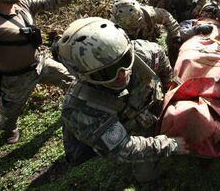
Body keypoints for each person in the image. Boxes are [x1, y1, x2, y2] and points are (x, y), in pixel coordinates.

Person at [55, 17, 189, 184]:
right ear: (82, 75)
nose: (122, 74)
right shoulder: (82, 108)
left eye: (125, 61)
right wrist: (170, 145)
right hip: (122, 126)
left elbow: (161, 62)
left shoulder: (144, 53)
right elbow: (121, 148)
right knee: (146, 175)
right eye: (106, 72)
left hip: (146, 104)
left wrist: (168, 86)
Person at [0, 0, 90, 144]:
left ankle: (79, 108)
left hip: (41, 63)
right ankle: (9, 129)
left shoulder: (24, 4)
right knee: (10, 113)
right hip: (15, 78)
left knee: (71, 81)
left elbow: (49, 1)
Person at [111, 0, 182, 65]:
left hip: (151, 42)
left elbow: (167, 17)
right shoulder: (111, 26)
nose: (132, 30)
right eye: (128, 28)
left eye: (134, 26)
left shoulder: (149, 14)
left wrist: (176, 36)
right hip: (129, 51)